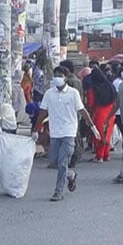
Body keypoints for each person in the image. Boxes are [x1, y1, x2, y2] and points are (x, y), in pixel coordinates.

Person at [35, 65, 97, 201]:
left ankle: (58, 191)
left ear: (66, 78)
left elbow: (82, 110)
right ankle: (70, 175)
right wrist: (35, 129)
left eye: (60, 76)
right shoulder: (49, 94)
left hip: (69, 132)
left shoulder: (73, 93)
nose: (57, 78)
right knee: (54, 161)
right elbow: (42, 112)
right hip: (55, 132)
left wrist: (92, 126)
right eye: (55, 76)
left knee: (63, 162)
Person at [84, 66, 117, 163]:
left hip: (99, 112)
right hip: (110, 112)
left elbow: (90, 102)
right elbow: (116, 98)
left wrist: (89, 111)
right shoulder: (110, 85)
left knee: (98, 134)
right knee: (107, 133)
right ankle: (106, 155)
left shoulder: (93, 88)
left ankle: (99, 156)